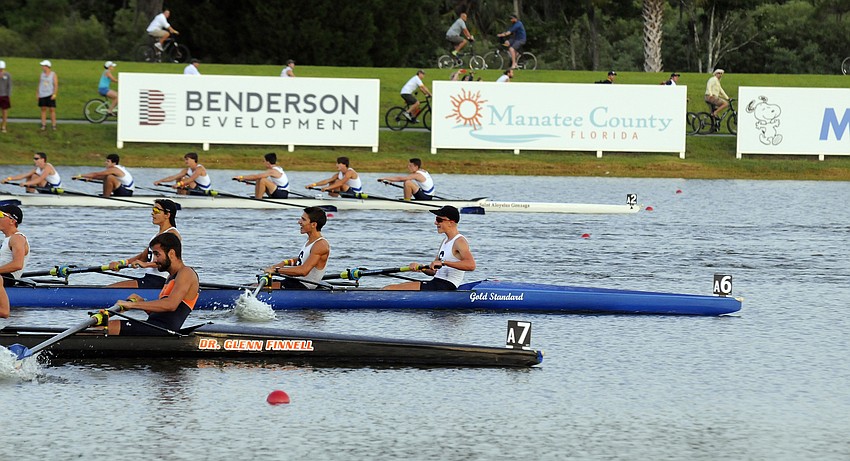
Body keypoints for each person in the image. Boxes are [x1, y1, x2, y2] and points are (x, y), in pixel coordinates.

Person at [104, 233, 198, 336]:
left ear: (171, 253)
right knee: (100, 326)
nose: (155, 260)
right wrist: (143, 303)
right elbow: (162, 314)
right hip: (154, 326)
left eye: (157, 254)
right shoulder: (170, 277)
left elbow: (171, 305)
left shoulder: (186, 273)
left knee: (108, 327)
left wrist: (132, 304)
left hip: (163, 331)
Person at [383, 206, 475, 291]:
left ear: (451, 222)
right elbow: (433, 271)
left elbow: (471, 265)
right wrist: (421, 267)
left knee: (389, 289)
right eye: (436, 219)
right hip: (436, 283)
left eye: (439, 220)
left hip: (446, 286)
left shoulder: (459, 241)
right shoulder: (445, 241)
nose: (435, 223)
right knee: (389, 288)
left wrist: (444, 263)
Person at [107, 199, 181, 289]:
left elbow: (168, 261)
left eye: (156, 210)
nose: (152, 213)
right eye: (153, 210)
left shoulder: (171, 234)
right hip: (149, 279)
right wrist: (121, 263)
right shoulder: (157, 236)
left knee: (109, 289)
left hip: (160, 281)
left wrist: (146, 264)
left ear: (167, 215)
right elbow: (142, 257)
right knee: (109, 288)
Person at [262, 207, 330, 290]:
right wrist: (285, 262)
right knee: (257, 284)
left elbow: (303, 271)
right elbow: (303, 258)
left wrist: (276, 270)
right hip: (295, 282)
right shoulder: (311, 240)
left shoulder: (320, 245)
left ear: (313, 225)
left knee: (257, 287)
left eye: (303, 220)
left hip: (304, 286)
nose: (299, 222)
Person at [0, 204, 28, 318]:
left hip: (7, 278)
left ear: (12, 220)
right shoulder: (7, 240)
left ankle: (3, 309)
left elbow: (17, 264)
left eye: (1, 215)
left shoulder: (17, 238)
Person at [37, 60, 58, 131]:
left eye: (43, 66)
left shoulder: (53, 74)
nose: (42, 67)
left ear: (47, 66)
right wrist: (37, 93)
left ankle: (54, 125)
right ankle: (43, 124)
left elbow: (55, 85)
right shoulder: (41, 74)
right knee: (43, 109)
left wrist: (54, 94)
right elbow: (39, 84)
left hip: (50, 94)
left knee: (52, 109)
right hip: (42, 94)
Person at [0, 60, 10, 133]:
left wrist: (8, 95)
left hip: (4, 96)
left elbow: (9, 86)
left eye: (2, 69)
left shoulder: (7, 75)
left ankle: (4, 126)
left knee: (4, 111)